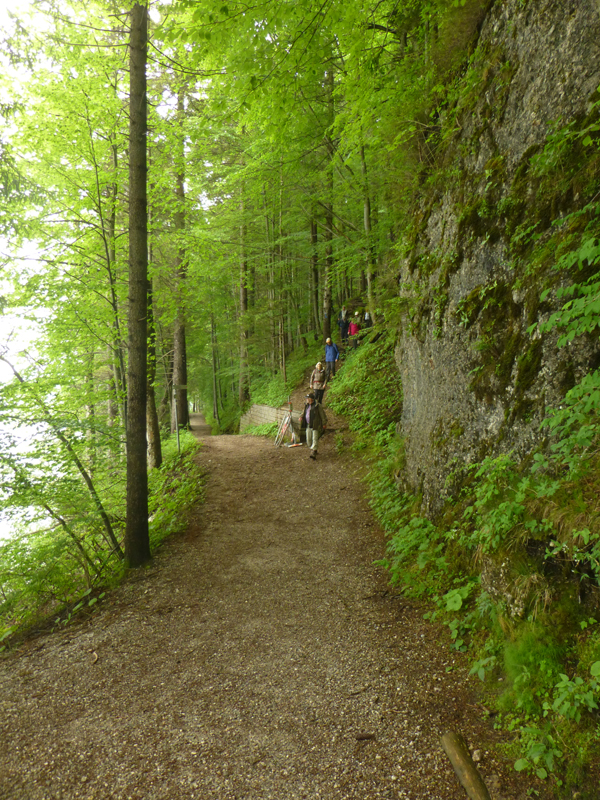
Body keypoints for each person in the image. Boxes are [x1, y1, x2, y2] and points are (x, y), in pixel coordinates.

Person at [299, 392, 327, 460]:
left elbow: (322, 415)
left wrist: (324, 423)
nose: (306, 399)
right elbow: (304, 412)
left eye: (307, 398)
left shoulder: (317, 405)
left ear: (311, 399)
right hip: (308, 424)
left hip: (315, 424)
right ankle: (314, 449)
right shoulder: (307, 405)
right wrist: (301, 416)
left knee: (315, 438)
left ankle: (313, 452)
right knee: (308, 440)